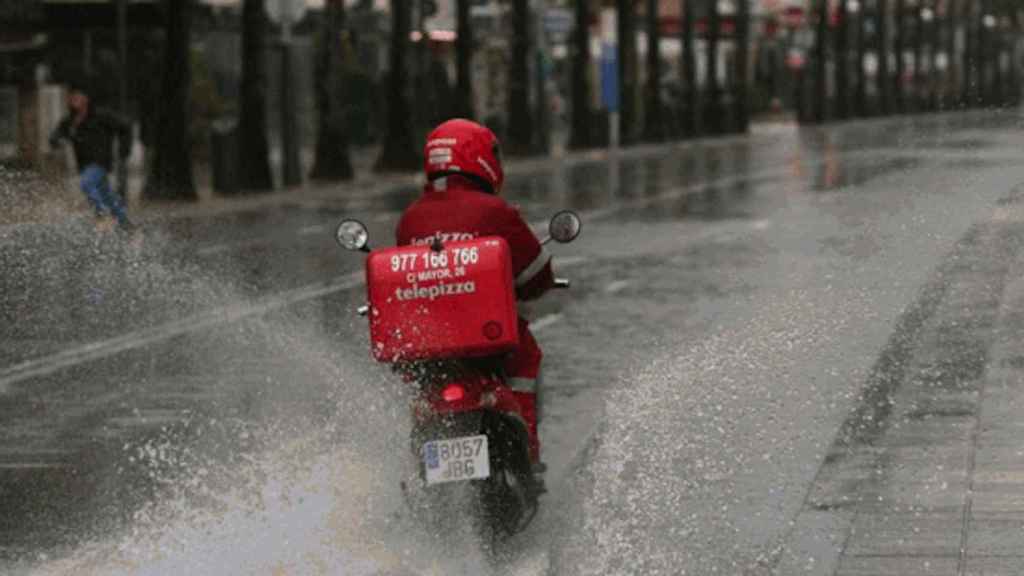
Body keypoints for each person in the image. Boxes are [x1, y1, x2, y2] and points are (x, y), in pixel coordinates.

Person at [396, 119, 554, 472]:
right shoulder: (495, 211)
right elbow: (537, 275)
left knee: (422, 390)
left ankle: (421, 464)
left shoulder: (409, 218)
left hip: (431, 342)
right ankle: (528, 455)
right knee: (526, 359)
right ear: (479, 158)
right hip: (487, 342)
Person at [49, 79, 135, 232]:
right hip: (84, 165)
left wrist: (124, 151)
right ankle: (128, 228)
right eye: (71, 97)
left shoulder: (101, 116)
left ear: (86, 98)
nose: (74, 99)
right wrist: (56, 141)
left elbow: (125, 126)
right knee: (108, 197)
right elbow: (56, 136)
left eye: (77, 96)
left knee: (86, 184)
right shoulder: (70, 121)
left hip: (100, 162)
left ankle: (101, 216)